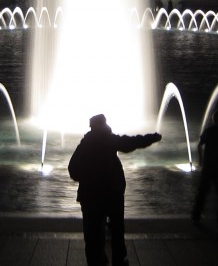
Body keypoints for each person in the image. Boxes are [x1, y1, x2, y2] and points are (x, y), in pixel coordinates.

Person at [68, 114, 161, 266]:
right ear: (104, 125)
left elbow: (73, 169)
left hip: (90, 195)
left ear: (91, 127)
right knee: (117, 229)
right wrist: (152, 137)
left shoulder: (84, 144)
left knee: (92, 232)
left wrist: (87, 179)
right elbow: (130, 142)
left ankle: (96, 260)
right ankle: (119, 259)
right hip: (113, 193)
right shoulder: (109, 140)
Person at [191, 109, 218, 229]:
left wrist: (200, 160)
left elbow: (199, 146)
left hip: (208, 165)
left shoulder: (208, 131)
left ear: (213, 119)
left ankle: (196, 216)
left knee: (203, 192)